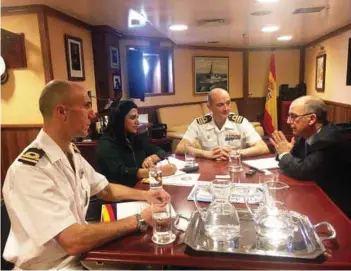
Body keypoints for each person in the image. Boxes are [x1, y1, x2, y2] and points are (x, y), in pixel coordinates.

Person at [2, 80, 169, 270]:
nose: (93, 114)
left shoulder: (70, 152)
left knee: (149, 264)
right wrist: (139, 219)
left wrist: (147, 195)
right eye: (86, 105)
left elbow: (105, 189)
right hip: (51, 266)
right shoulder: (30, 170)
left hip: (80, 256)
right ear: (61, 112)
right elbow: (72, 240)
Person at [270, 95, 351, 218]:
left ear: (312, 119)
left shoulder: (328, 140)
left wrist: (284, 153)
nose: (288, 121)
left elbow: (304, 171)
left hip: (336, 207)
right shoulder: (306, 134)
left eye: (293, 116)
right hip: (316, 194)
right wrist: (285, 153)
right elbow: (295, 158)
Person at [97, 100, 176, 187]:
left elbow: (160, 151)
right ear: (120, 119)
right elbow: (122, 173)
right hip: (121, 195)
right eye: (132, 118)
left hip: (140, 187)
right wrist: (158, 171)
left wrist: (151, 159)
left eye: (137, 117)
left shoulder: (133, 137)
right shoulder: (106, 144)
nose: (137, 122)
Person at [176, 88, 269, 160]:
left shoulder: (240, 122)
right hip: (209, 168)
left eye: (228, 103)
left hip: (235, 165)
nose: (226, 108)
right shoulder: (199, 124)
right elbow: (180, 148)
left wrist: (236, 153)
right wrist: (205, 154)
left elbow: (263, 147)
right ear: (209, 107)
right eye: (220, 105)